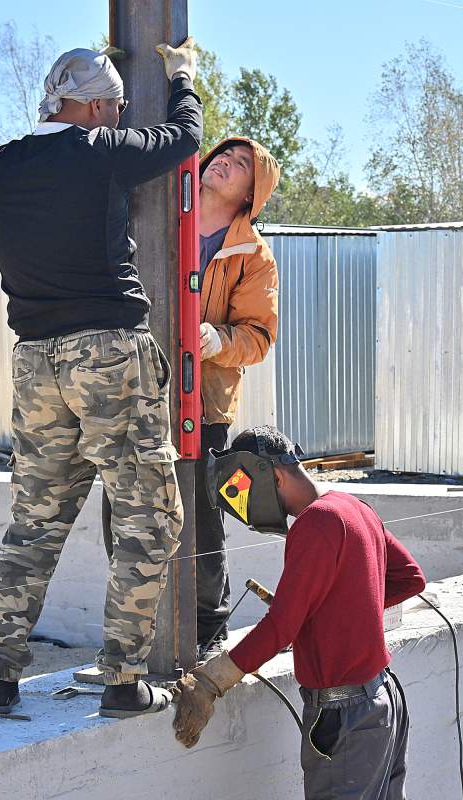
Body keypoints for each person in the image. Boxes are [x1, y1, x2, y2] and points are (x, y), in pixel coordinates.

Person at [0, 40, 202, 719]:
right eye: (111, 108)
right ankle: (123, 679)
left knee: (35, 522)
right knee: (150, 518)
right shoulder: (102, 151)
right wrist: (183, 76)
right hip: (106, 356)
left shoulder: (4, 164)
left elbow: (65, 161)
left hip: (34, 361)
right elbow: (184, 137)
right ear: (99, 107)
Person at [173, 425, 427, 799]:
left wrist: (211, 681)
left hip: (347, 717)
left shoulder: (316, 523)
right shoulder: (353, 507)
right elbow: (410, 579)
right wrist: (334, 610)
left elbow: (281, 626)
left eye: (244, 494)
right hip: (383, 702)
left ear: (273, 476)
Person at [193, 137, 281, 662]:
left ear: (252, 195)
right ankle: (140, 620)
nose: (225, 161)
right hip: (136, 392)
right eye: (223, 154)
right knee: (125, 508)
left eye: (242, 164)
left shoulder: (253, 255)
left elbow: (259, 337)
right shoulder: (160, 217)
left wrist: (219, 341)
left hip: (202, 403)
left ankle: (208, 623)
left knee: (204, 512)